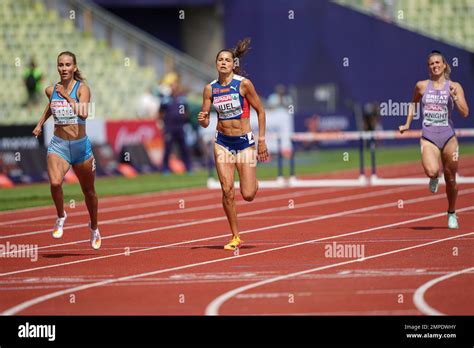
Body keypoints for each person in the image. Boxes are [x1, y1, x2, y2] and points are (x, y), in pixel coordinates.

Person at [198, 38, 269, 250]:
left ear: (233, 64)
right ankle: (235, 236)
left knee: (247, 194)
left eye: (227, 60)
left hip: (244, 142)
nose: (223, 63)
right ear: (216, 63)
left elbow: (261, 111)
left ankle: (253, 182)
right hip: (222, 142)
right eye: (220, 59)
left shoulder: (243, 85)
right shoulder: (210, 89)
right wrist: (203, 120)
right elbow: (205, 120)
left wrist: (262, 141)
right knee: (227, 190)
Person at [32, 51, 101, 249]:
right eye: (60, 65)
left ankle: (94, 227)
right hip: (59, 146)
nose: (64, 68)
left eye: (68, 65)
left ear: (75, 67)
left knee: (89, 192)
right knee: (55, 183)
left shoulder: (82, 89)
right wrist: (39, 124)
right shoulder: (50, 90)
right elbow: (50, 107)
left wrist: (66, 96)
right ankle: (61, 215)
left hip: (81, 148)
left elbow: (84, 113)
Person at [399, 50, 469, 229]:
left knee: (451, 178)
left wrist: (454, 97)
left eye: (438, 63)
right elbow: (413, 102)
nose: (435, 66)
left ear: (444, 65)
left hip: (448, 137)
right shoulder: (422, 86)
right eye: (432, 64)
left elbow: (465, 113)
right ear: (428, 67)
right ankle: (433, 177)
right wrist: (407, 123)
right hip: (429, 136)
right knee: (432, 171)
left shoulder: (455, 86)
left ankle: (452, 212)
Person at [159, 80, 192, 173]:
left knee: (184, 148)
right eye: (172, 87)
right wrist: (162, 123)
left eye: (175, 87)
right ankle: (165, 168)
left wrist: (183, 118)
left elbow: (186, 111)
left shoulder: (182, 99)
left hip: (180, 127)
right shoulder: (166, 100)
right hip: (169, 127)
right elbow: (161, 113)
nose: (174, 89)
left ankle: (188, 167)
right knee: (168, 148)